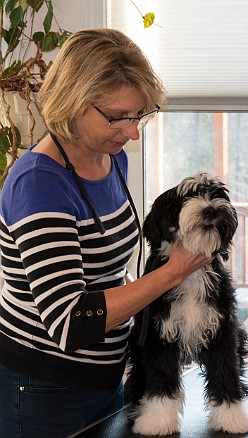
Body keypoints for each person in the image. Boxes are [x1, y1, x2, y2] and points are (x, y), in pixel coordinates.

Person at [0, 29, 213, 437]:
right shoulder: (39, 184)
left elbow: (102, 270)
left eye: (139, 116)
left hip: (106, 378)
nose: (132, 133)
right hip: (42, 389)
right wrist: (171, 273)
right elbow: (70, 322)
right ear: (73, 101)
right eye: (117, 117)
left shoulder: (110, 157)